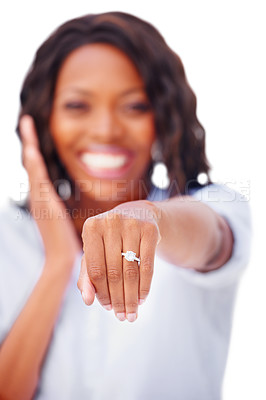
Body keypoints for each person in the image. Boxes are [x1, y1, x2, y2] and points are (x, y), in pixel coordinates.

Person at [0, 11, 251, 400]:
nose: (105, 130)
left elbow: (212, 240)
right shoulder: (9, 237)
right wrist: (59, 263)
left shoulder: (213, 206)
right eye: (77, 106)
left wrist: (150, 219)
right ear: (41, 121)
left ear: (165, 118)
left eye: (135, 106)